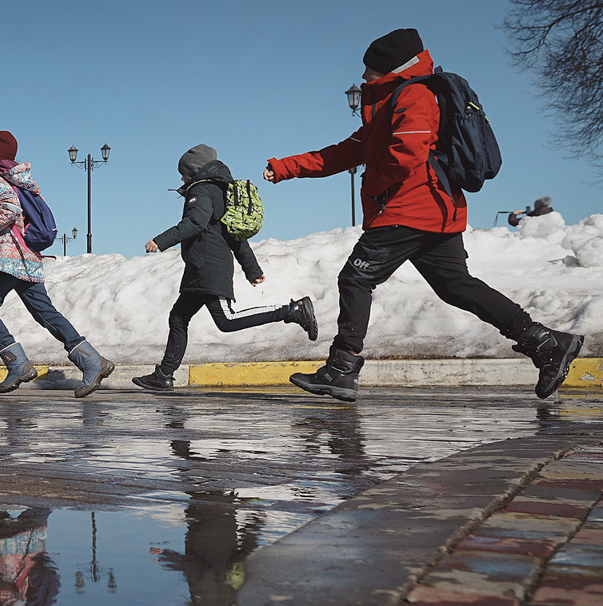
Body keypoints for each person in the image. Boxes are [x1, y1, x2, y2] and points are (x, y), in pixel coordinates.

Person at [264, 28, 583, 401]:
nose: (364, 75)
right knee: (456, 286)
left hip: (411, 208)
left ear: (390, 67)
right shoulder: (389, 104)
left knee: (356, 279)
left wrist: (375, 187)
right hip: (432, 210)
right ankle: (546, 343)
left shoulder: (414, 94)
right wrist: (285, 167)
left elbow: (408, 153)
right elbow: (345, 152)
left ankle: (342, 368)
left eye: (370, 68)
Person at [133, 144, 318, 392]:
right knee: (178, 317)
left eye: (183, 173)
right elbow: (234, 236)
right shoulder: (221, 191)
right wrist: (251, 268)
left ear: (194, 171)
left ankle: (291, 310)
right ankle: (164, 375)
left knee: (227, 320)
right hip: (200, 268)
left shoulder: (202, 190)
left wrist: (160, 240)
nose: (181, 179)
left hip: (209, 268)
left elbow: (195, 222)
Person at [0, 131, 114, 398]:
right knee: (45, 314)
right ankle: (92, 361)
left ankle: (17, 364)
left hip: (8, 261)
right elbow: (15, 224)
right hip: (25, 257)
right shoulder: (14, 180)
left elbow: (9, 210)